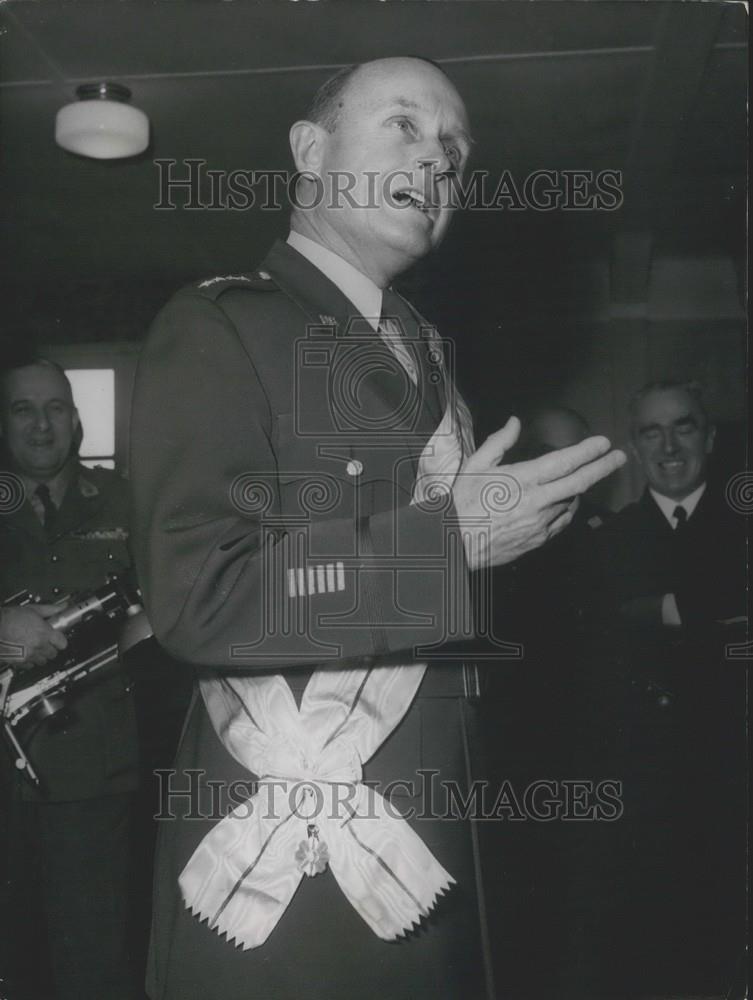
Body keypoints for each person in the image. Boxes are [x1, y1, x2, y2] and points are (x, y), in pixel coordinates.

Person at [129, 57, 625, 1000]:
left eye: (455, 148)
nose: (437, 158)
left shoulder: (426, 356)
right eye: (403, 124)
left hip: (440, 829)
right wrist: (452, 545)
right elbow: (198, 600)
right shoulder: (222, 325)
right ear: (311, 153)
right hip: (302, 859)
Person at [0, 358, 139, 999]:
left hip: (93, 777)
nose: (40, 425)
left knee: (97, 963)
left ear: (77, 421)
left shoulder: (124, 499)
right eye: (23, 409)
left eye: (55, 407)